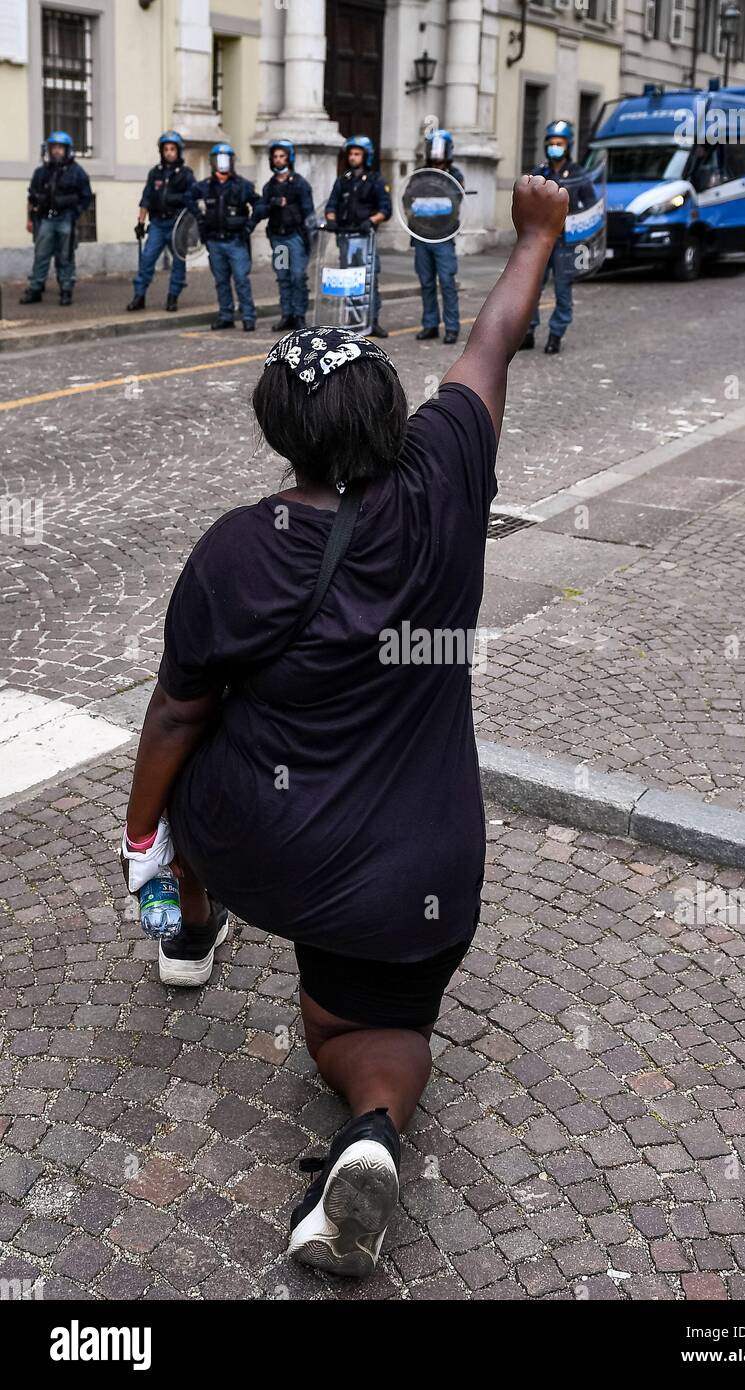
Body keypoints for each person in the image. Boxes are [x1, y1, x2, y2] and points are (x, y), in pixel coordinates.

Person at [119, 172, 568, 1278]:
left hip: (264, 845)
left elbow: (176, 712)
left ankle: (189, 928)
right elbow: (494, 335)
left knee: (199, 732)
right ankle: (369, 1128)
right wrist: (534, 234)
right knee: (358, 1035)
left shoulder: (239, 546)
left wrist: (145, 845)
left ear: (281, 429)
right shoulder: (448, 473)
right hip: (413, 871)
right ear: (390, 416)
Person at [522, 119, 596, 355]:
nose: (555, 146)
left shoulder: (578, 174)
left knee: (563, 291)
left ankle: (556, 334)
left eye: (560, 143)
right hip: (540, 243)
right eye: (552, 143)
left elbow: (591, 206)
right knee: (531, 289)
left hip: (565, 243)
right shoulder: (539, 172)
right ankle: (528, 332)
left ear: (568, 145)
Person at [325, 135, 391, 338]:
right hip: (346, 237)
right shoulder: (343, 180)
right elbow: (331, 205)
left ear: (366, 156)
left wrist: (371, 220)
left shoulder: (375, 180)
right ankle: (352, 319)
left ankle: (372, 321)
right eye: (351, 154)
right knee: (349, 280)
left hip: (365, 238)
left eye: (357, 154)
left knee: (369, 280)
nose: (353, 158)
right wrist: (332, 220)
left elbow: (385, 209)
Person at [191, 142, 258, 332]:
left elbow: (259, 205)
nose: (222, 164)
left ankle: (248, 316)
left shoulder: (242, 185)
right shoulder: (205, 186)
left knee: (241, 279)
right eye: (218, 159)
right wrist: (199, 217)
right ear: (213, 163)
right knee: (221, 281)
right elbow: (188, 198)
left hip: (235, 240)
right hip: (214, 240)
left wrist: (249, 226)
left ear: (231, 161)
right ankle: (226, 315)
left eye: (225, 159)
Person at [128, 131, 197, 313]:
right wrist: (140, 223)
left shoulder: (186, 174)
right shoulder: (155, 173)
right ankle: (139, 296)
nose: (169, 153)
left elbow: (193, 200)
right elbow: (146, 198)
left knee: (178, 263)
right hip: (158, 224)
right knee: (147, 259)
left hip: (177, 225)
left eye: (172, 149)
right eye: (166, 149)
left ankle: (173, 297)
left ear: (178, 151)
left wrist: (191, 226)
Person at [20, 132, 92, 307]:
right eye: (54, 147)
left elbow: (86, 196)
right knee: (41, 255)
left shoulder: (77, 172)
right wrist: (30, 219)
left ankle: (66, 290)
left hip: (66, 219)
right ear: (49, 149)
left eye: (60, 147)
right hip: (46, 219)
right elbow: (32, 197)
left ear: (67, 150)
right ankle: (36, 289)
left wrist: (75, 213)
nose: (57, 151)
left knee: (65, 256)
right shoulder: (41, 172)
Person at [252, 138, 315, 333]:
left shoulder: (299, 184)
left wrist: (310, 236)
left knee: (297, 276)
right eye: (275, 157)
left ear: (289, 158)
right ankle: (286, 314)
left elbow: (308, 211)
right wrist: (272, 203)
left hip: (295, 237)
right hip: (278, 239)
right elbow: (260, 211)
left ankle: (299, 315)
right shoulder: (269, 186)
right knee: (283, 276)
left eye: (282, 156)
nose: (278, 160)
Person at [413, 128, 464, 346]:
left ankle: (451, 327)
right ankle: (430, 325)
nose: (436, 153)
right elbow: (410, 200)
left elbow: (453, 203)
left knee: (446, 282)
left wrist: (430, 204)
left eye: (440, 148)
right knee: (426, 282)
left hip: (443, 236)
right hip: (422, 234)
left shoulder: (455, 175)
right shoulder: (420, 173)